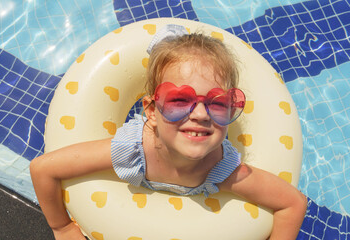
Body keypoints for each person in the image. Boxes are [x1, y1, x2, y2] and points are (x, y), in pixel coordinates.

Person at [30, 24, 307, 240]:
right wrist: (62, 228)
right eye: (179, 101)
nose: (200, 114)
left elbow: (292, 204)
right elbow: (43, 169)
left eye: (218, 103)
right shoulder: (131, 150)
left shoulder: (222, 168)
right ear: (151, 111)